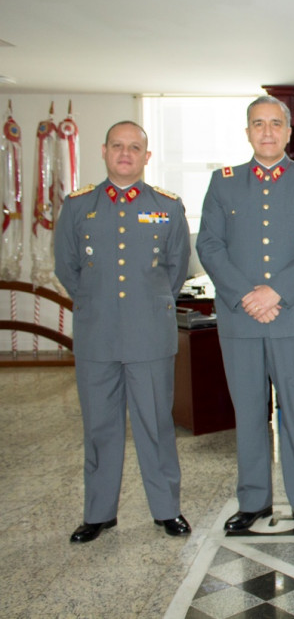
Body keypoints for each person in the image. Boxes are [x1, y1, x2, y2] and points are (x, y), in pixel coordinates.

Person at [197, 96, 294, 533]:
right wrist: (246, 295)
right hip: (241, 319)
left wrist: (275, 292)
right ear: (247, 132)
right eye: (259, 124)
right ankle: (254, 501)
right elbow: (209, 246)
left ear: (289, 131)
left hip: (293, 317)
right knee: (250, 413)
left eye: (276, 123)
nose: (268, 131)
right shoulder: (223, 182)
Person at [54, 121, 191, 543]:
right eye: (118, 146)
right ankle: (99, 513)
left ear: (147, 157)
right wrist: (101, 306)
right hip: (97, 336)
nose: (126, 153)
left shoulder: (167, 206)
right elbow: (67, 267)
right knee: (99, 427)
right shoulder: (78, 206)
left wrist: (141, 307)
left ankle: (167, 510)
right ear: (104, 151)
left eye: (135, 147)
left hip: (149, 335)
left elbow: (176, 270)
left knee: (155, 425)